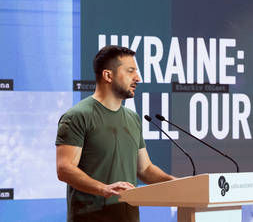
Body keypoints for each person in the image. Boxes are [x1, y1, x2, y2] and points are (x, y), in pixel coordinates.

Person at [56, 45, 175, 222]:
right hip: (91, 218)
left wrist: (179, 183)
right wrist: (104, 189)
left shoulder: (132, 117)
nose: (138, 78)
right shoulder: (78, 116)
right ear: (108, 75)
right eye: (130, 71)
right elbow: (64, 169)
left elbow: (145, 169)